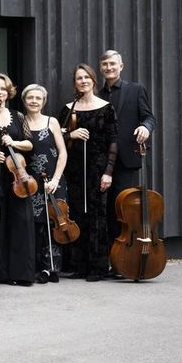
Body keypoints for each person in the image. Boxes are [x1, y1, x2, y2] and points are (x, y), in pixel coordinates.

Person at [97, 49, 156, 274]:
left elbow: (148, 117)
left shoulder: (135, 89)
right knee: (105, 213)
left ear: (121, 66)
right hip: (100, 160)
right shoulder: (97, 94)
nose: (109, 68)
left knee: (122, 210)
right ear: (101, 69)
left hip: (126, 161)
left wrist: (145, 128)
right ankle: (110, 260)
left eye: (113, 64)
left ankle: (125, 260)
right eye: (105, 65)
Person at [58, 64, 117, 281]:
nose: (83, 81)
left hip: (98, 169)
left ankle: (98, 267)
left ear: (93, 80)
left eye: (86, 77)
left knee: (97, 215)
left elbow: (113, 142)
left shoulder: (106, 107)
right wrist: (71, 135)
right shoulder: (68, 108)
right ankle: (79, 265)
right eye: (79, 78)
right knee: (76, 214)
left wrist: (108, 172)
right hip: (74, 170)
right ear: (75, 83)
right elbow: (58, 137)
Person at [0, 73, 36, 286]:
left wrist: (13, 144)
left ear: (9, 92)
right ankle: (1, 273)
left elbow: (29, 144)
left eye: (3, 89)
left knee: (22, 222)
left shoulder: (18, 116)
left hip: (18, 174)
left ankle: (22, 273)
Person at [20, 84, 68, 283]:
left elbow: (63, 152)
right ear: (24, 100)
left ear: (43, 102)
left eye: (38, 98)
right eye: (30, 97)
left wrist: (56, 179)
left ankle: (52, 268)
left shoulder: (52, 122)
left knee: (54, 222)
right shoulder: (20, 123)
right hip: (31, 182)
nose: (34, 101)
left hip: (53, 180)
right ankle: (37, 267)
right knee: (35, 224)